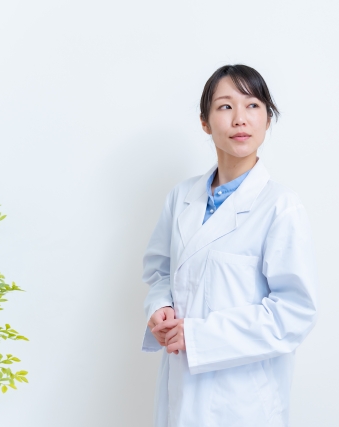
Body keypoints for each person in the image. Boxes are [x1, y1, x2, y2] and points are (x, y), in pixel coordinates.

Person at [141, 64, 319, 427]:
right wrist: (160, 307)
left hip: (242, 403)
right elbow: (160, 271)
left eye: (253, 105)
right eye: (225, 106)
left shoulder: (281, 206)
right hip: (180, 392)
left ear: (267, 119)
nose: (240, 118)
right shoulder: (181, 197)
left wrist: (198, 336)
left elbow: (294, 313)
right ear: (205, 122)